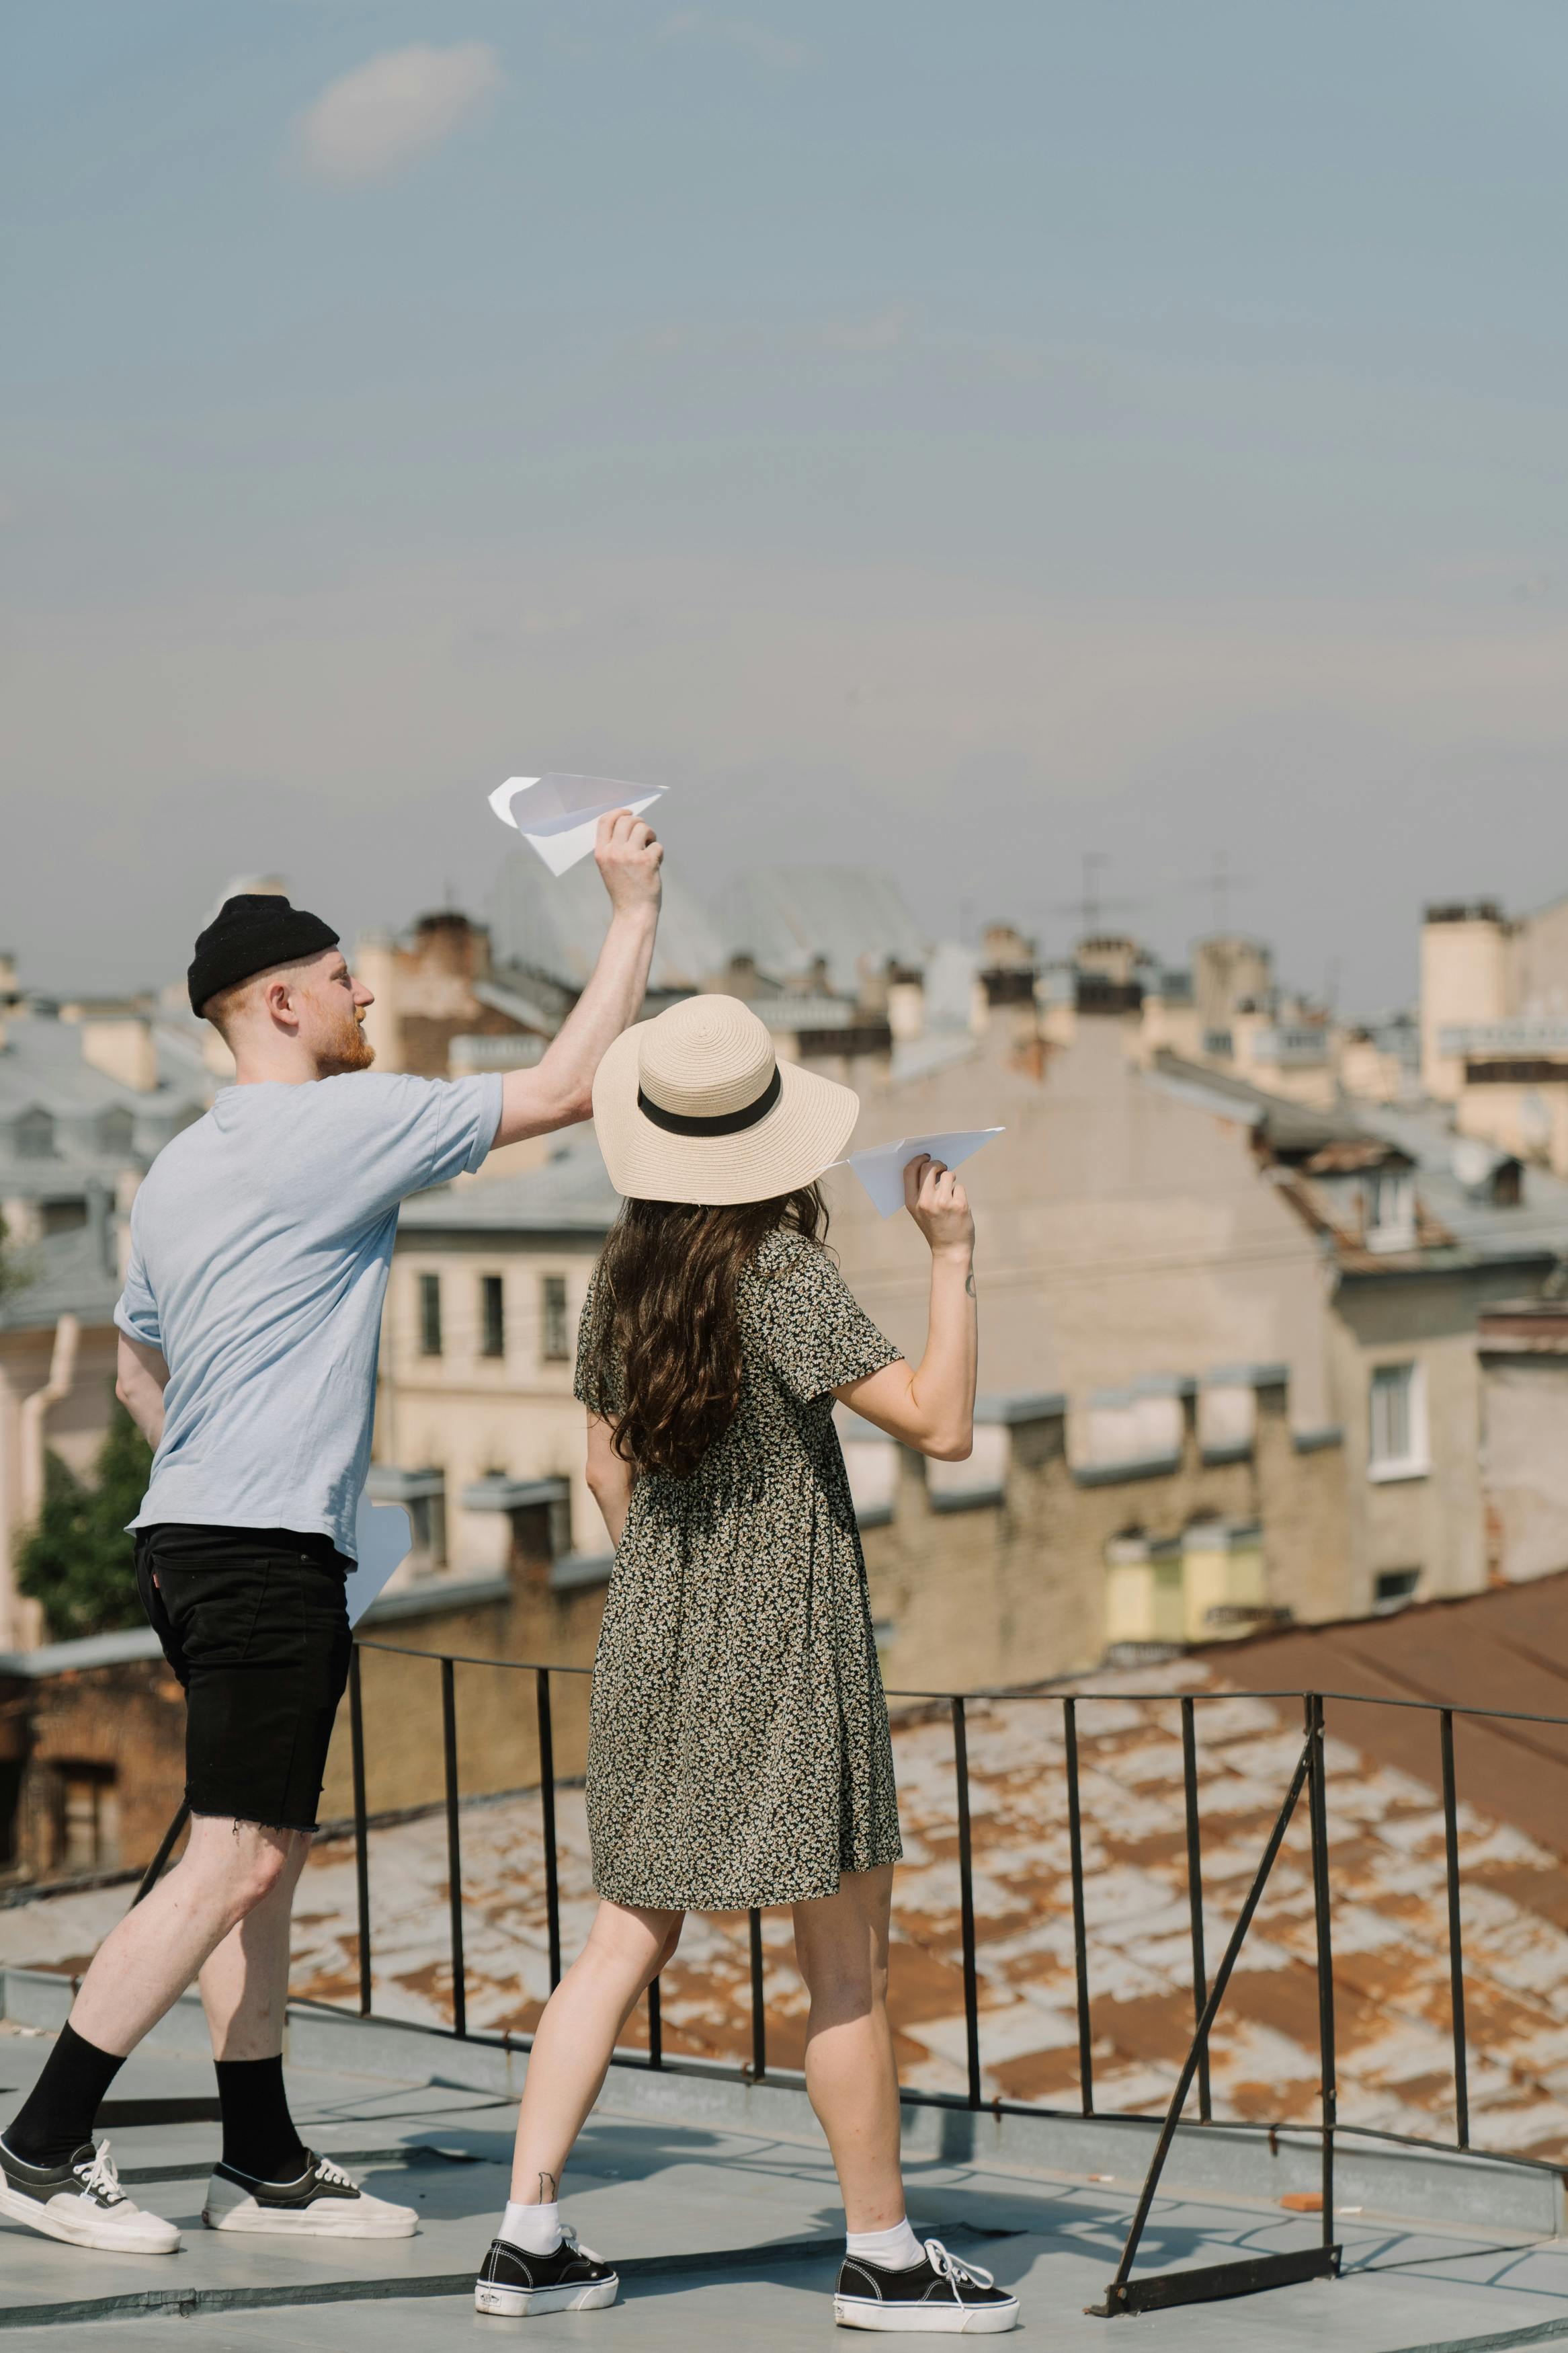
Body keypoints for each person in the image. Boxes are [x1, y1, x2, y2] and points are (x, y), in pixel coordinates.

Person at [0, 813, 663, 2256]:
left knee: (267, 1855)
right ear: (284, 1003)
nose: (371, 996)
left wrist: (227, 1438)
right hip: (263, 1549)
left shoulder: (175, 1169)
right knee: (237, 1858)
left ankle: (260, 2157)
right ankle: (42, 2144)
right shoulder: (343, 1125)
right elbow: (562, 1085)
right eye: (346, 977)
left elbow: (129, 1370)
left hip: (188, 1537)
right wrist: (631, 912)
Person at [472, 993, 1020, 2334]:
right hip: (787, 1644)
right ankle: (883, 2257)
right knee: (844, 1969)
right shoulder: (776, 1273)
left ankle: (524, 2235)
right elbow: (942, 1426)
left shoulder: (625, 1274)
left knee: (619, 1945)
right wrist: (950, 1254)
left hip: (652, 1634)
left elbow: (605, 1465)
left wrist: (673, 1580)